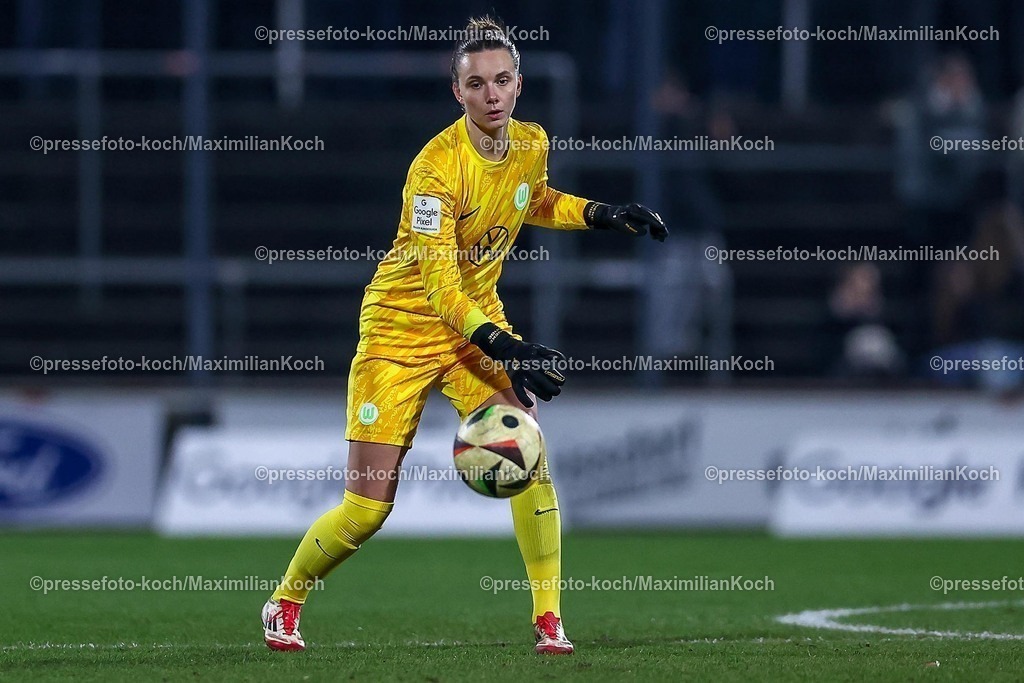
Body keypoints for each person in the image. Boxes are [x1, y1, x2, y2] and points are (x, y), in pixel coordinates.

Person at [261, 16, 667, 655]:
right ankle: (286, 600)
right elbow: (440, 287)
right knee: (367, 509)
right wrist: (510, 348)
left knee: (528, 456)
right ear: (458, 92)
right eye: (477, 84)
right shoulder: (434, 170)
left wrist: (601, 214)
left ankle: (548, 619)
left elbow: (533, 198)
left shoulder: (531, 142)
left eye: (502, 80)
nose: (492, 94)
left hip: (474, 328)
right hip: (400, 330)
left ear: (519, 84)